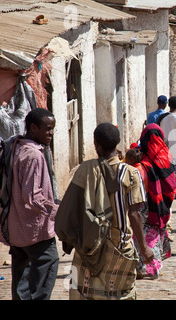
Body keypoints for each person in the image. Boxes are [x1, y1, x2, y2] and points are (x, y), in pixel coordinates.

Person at [65, 123, 153, 300]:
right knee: (121, 294)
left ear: (96, 144)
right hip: (119, 245)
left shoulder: (85, 169)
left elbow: (71, 208)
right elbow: (135, 214)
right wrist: (144, 249)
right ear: (118, 143)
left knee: (85, 293)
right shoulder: (131, 173)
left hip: (88, 246)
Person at [0, 108, 59, 300]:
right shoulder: (33, 155)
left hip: (14, 228)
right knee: (48, 262)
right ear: (33, 128)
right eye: (47, 129)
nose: (51, 134)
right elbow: (32, 197)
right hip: (33, 229)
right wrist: (58, 211)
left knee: (21, 277)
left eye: (53, 129)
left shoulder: (14, 146)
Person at [132, 124, 176, 279]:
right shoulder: (165, 156)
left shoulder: (140, 161)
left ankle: (146, 267)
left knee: (144, 234)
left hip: (146, 204)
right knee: (151, 233)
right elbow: (171, 185)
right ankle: (151, 266)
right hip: (159, 204)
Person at [158, 96, 176, 197]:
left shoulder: (162, 118)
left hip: (165, 147)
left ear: (168, 105)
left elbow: (158, 132)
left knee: (167, 170)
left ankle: (168, 189)